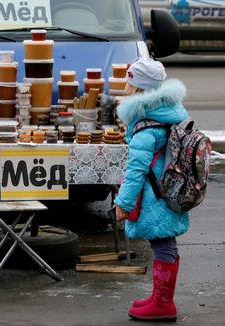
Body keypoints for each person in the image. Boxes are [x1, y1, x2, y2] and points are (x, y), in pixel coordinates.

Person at [113, 58, 190, 321]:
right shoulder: (169, 111)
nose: (124, 86)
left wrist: (123, 202)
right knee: (166, 243)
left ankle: (163, 304)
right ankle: (160, 297)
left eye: (128, 81)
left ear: (137, 88)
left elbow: (136, 169)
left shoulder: (147, 125)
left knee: (163, 243)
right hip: (169, 190)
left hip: (155, 195)